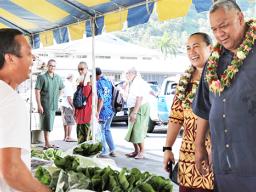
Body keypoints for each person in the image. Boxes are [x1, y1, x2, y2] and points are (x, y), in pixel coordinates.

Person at [192, 1, 256, 191]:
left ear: (240, 18)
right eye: (214, 29)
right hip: (223, 166)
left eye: (224, 25)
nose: (219, 33)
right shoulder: (214, 61)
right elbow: (204, 107)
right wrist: (199, 146)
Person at [0, 28, 51, 191]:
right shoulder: (9, 100)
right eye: (28, 53)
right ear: (10, 58)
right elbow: (12, 171)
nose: (33, 59)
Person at [163, 33, 213, 192]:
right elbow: (176, 117)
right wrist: (167, 148)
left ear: (210, 48)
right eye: (188, 48)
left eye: (196, 46)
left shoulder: (220, 77)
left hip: (212, 154)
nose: (192, 52)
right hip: (187, 156)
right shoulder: (184, 80)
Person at [35, 59, 64, 149]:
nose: (52, 67)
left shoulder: (58, 77)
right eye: (50, 65)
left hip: (54, 104)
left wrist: (58, 97)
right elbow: (37, 91)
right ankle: (47, 143)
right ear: (47, 66)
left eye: (54, 66)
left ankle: (47, 142)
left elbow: (61, 89)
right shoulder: (42, 77)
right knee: (46, 123)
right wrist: (39, 105)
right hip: (45, 104)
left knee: (50, 123)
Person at [124, 67, 150, 159]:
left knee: (137, 130)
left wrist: (134, 113)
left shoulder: (138, 82)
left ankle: (142, 151)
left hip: (139, 108)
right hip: (133, 107)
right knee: (132, 130)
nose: (126, 75)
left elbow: (139, 98)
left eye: (127, 73)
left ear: (132, 73)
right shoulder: (132, 82)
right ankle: (136, 151)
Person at [96, 67, 116, 157]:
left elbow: (101, 99)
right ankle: (113, 149)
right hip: (110, 109)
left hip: (103, 110)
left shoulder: (98, 83)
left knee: (102, 131)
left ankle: (104, 151)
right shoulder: (108, 80)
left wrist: (97, 112)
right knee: (107, 130)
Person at [74, 71, 93, 144]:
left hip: (81, 116)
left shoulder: (82, 88)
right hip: (86, 116)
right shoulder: (89, 88)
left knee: (81, 138)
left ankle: (81, 151)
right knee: (88, 138)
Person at [60, 73, 76, 142]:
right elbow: (69, 98)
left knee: (65, 122)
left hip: (63, 104)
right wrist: (73, 107)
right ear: (71, 78)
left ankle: (65, 136)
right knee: (70, 122)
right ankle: (69, 137)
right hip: (67, 105)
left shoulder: (64, 83)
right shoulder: (68, 85)